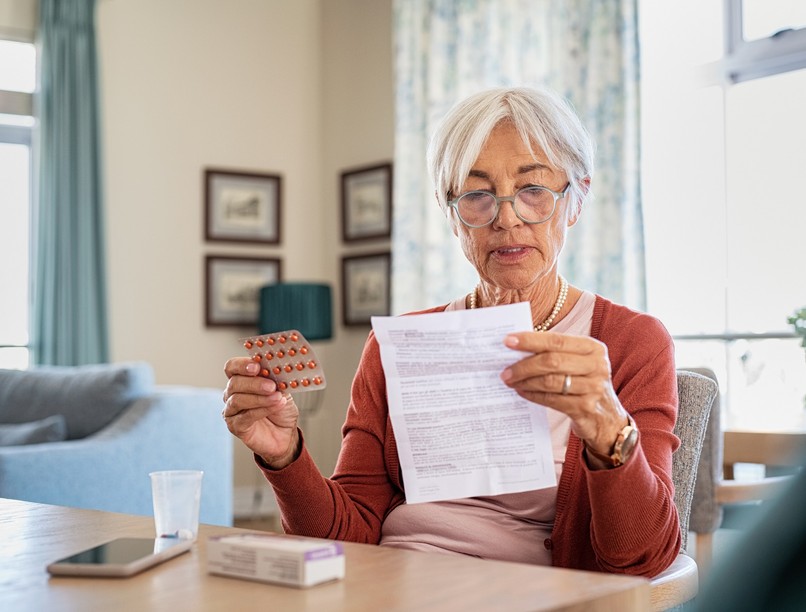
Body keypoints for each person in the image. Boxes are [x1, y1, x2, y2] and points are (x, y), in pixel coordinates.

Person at [223, 86, 680, 577]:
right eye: (477, 195)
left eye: (533, 191)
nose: (506, 218)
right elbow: (346, 538)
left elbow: (643, 558)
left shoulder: (633, 344)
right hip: (388, 585)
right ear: (451, 213)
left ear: (576, 200)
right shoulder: (396, 347)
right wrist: (285, 456)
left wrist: (608, 427)